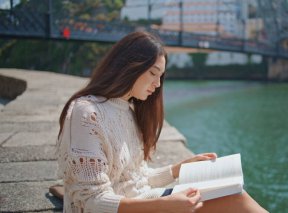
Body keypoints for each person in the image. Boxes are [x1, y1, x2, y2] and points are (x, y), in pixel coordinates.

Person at [56, 31, 268, 213]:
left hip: (145, 201)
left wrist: (178, 169)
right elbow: (92, 201)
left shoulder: (127, 111)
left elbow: (137, 179)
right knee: (235, 200)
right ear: (129, 66)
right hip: (133, 208)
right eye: (153, 73)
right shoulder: (88, 112)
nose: (157, 84)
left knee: (234, 192)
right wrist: (164, 205)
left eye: (161, 76)